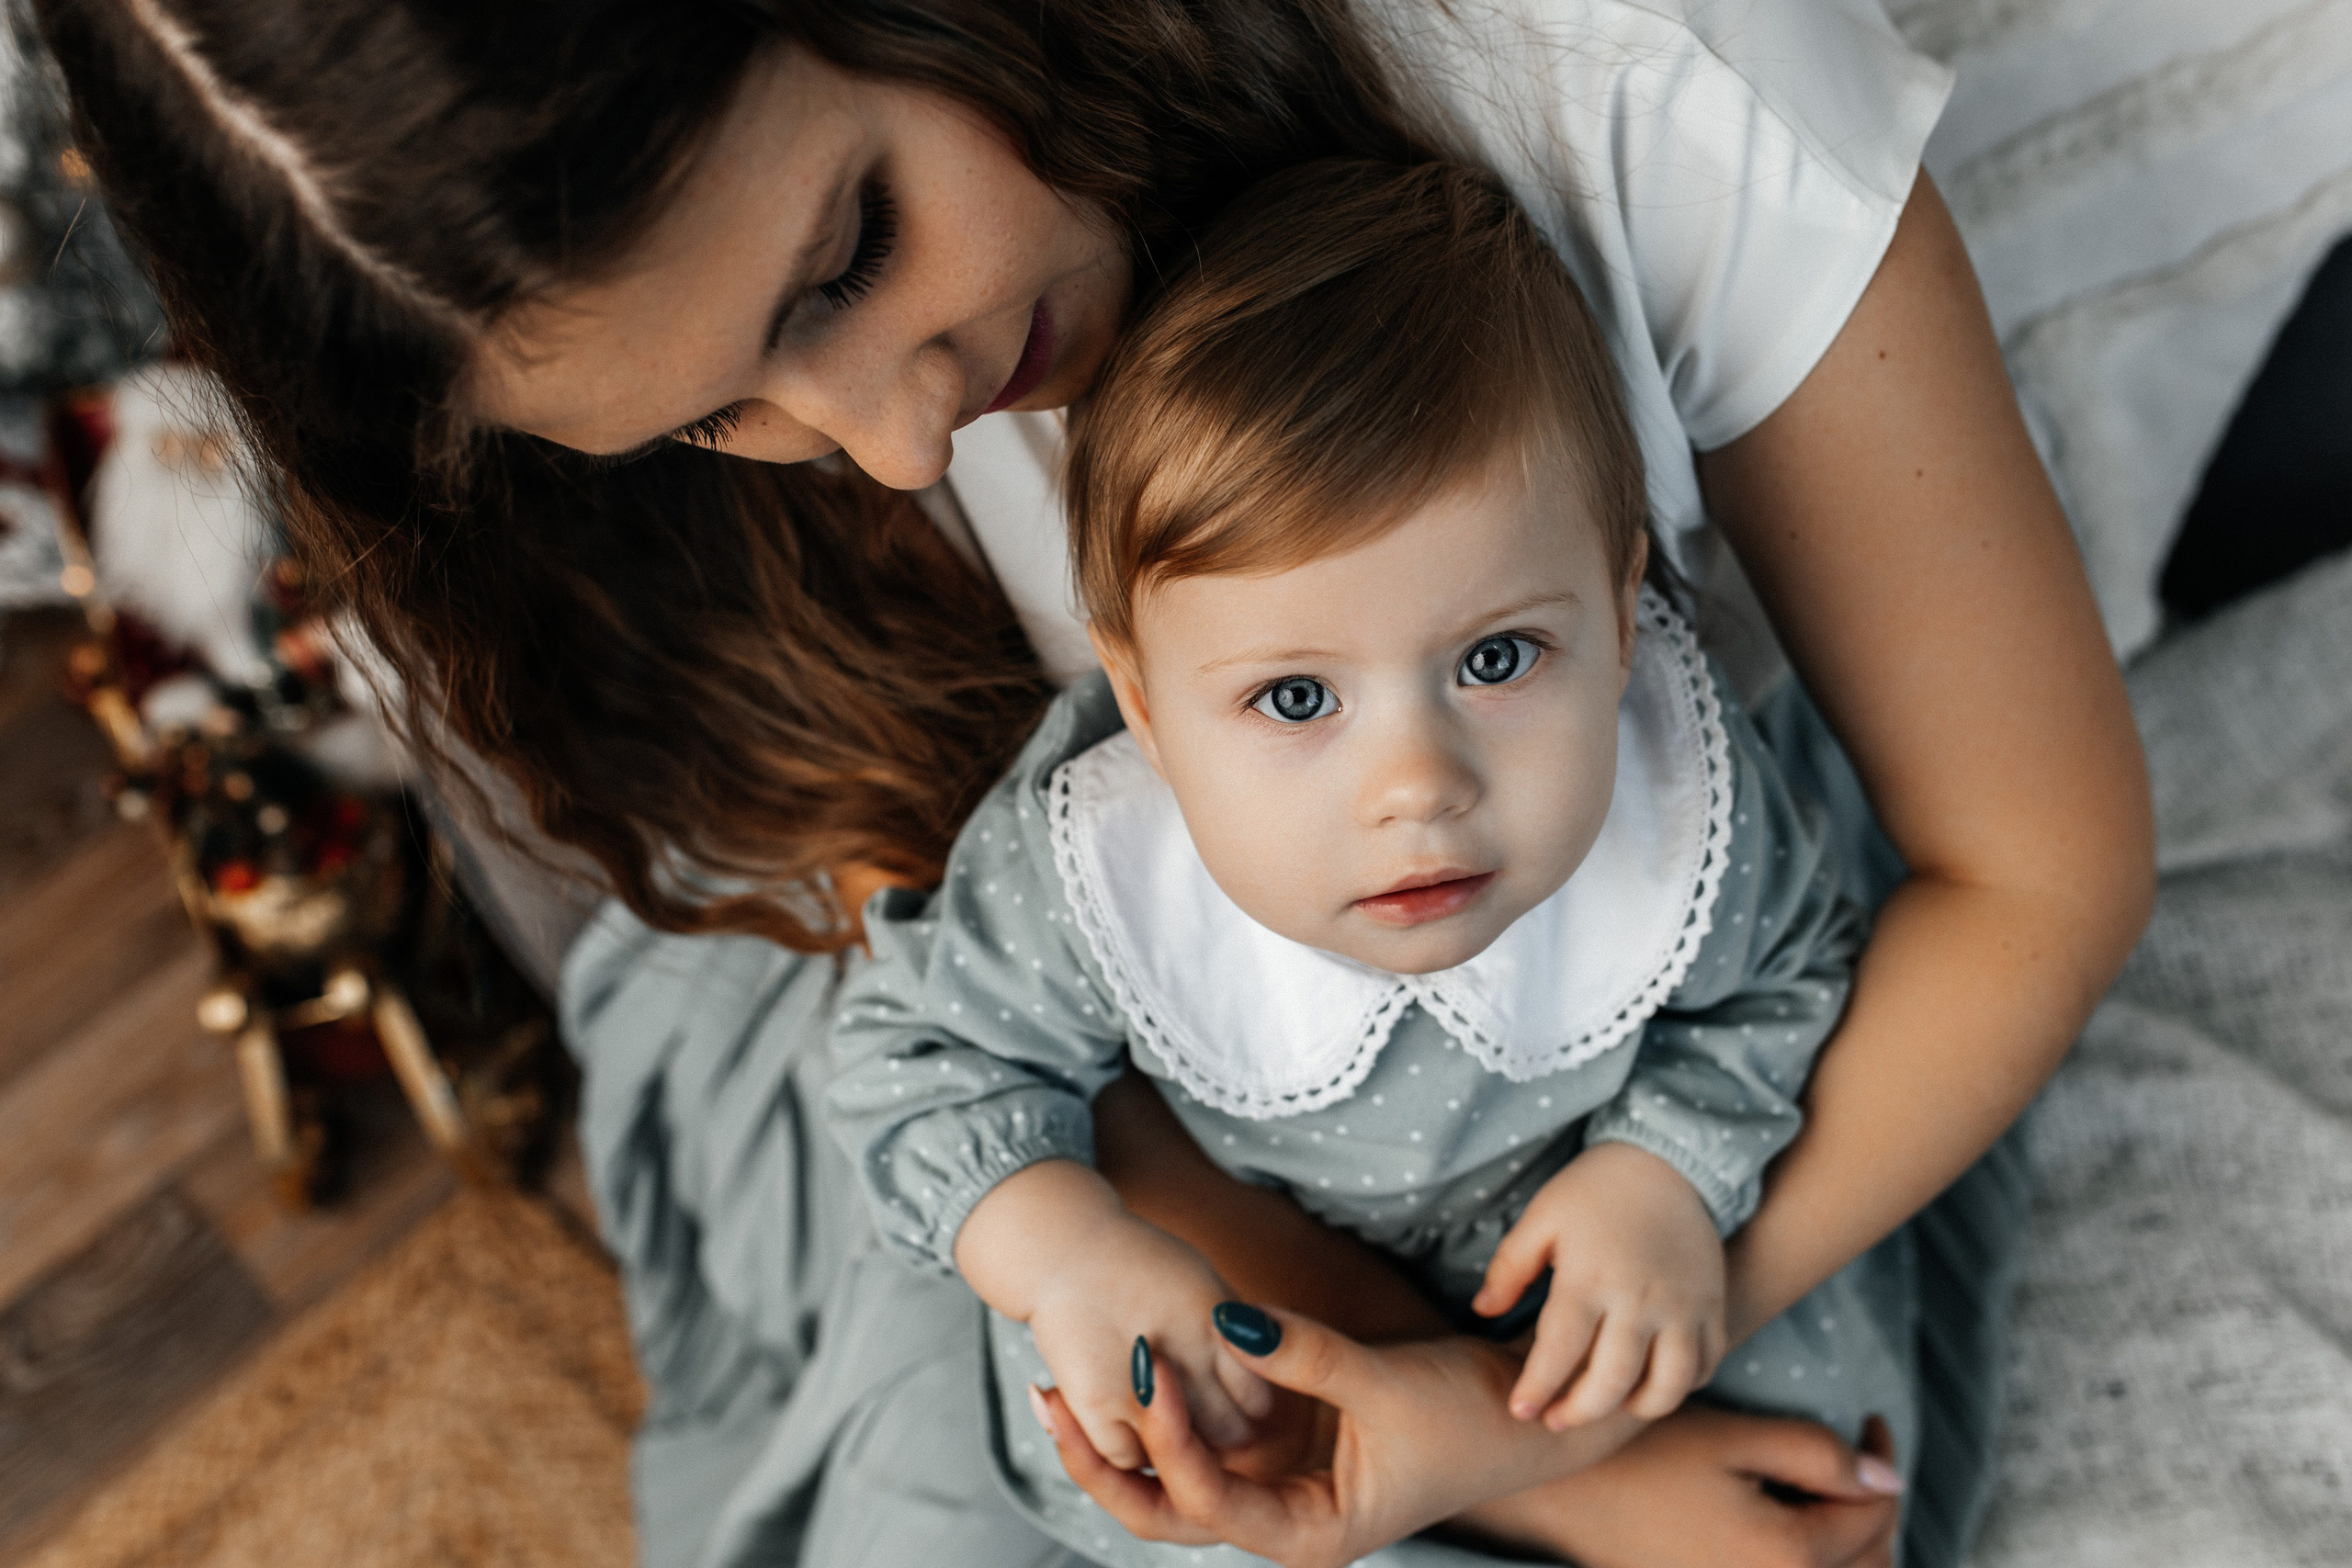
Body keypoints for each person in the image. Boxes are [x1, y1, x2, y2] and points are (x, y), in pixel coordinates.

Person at [35, 2, 2154, 1566]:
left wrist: (1528, 1400)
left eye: (851, 253)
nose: (888, 443)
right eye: (717, 416)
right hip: (1202, 1172)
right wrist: (1543, 1461)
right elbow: (1034, 1041)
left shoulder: (1613, 69)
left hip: (1604, 1209)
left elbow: (2029, 865)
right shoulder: (1004, 769)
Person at [831, 162, 1908, 1544]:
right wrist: (1068, 1251)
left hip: (1593, 1286)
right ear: (1150, 707)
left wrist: (1667, 1173)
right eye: (1295, 700)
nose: (1416, 788)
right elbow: (916, 1060)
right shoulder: (1093, 863)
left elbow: (1791, 976)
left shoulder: (1678, 793)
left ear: (1623, 611)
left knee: (1810, 1473)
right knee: (1176, 1477)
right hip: (1283, 1338)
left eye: (1500, 658)